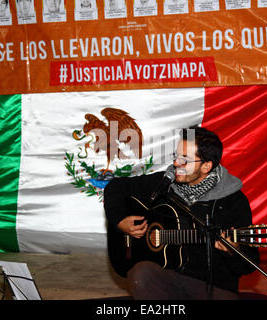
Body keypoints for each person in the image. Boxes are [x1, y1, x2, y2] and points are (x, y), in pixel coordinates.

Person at [104, 126, 259, 299]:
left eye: (185, 160)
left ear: (206, 166)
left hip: (215, 287)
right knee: (141, 274)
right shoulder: (165, 184)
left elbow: (249, 264)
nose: (176, 164)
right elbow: (114, 188)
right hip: (169, 277)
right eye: (176, 157)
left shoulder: (233, 201)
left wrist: (232, 250)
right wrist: (119, 221)